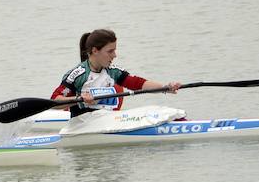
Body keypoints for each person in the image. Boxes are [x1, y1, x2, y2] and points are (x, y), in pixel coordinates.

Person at [51, 29, 182, 117]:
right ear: (95, 51)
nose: (115, 55)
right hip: (82, 125)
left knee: (122, 90)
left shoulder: (112, 71)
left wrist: (165, 87)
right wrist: (79, 99)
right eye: (110, 51)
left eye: (115, 50)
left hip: (108, 121)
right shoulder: (77, 75)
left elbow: (138, 83)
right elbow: (54, 101)